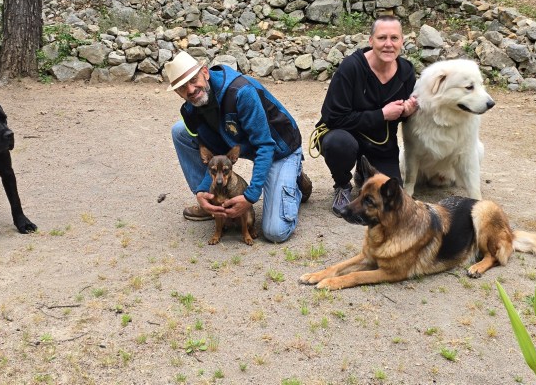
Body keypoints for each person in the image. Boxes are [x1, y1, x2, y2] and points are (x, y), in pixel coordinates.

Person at [166, 52, 311, 243]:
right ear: (177, 92)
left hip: (279, 148)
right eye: (182, 87)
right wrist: (202, 190)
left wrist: (250, 196)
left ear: (205, 72)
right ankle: (212, 201)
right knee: (180, 132)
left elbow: (265, 145)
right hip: (240, 142)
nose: (191, 90)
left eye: (193, 80)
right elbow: (212, 152)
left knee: (275, 232)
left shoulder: (241, 92)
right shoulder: (190, 110)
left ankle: (295, 179)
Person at [312, 15, 417, 216]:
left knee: (392, 200)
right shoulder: (351, 67)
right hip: (344, 136)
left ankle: (364, 171)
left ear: (402, 41)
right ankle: (342, 184)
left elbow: (401, 115)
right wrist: (381, 115)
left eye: (394, 38)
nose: (388, 44)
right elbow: (333, 118)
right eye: (382, 38)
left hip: (381, 145)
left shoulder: (406, 72)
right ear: (371, 40)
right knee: (338, 143)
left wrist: (407, 112)